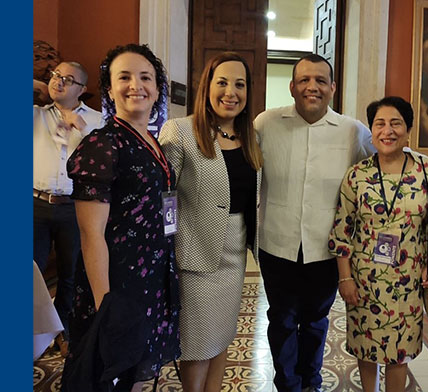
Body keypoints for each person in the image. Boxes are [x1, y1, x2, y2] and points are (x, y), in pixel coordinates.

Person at [61, 44, 180, 392]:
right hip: (117, 283)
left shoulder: (151, 141)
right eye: (124, 77)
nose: (135, 86)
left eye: (145, 77)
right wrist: (105, 307)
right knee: (109, 373)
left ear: (157, 88)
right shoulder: (103, 143)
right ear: (110, 89)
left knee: (137, 375)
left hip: (151, 279)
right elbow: (90, 234)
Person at [254, 53, 375, 392]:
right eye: (305, 80)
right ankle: (287, 385)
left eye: (320, 80)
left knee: (315, 322)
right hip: (277, 243)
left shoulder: (352, 132)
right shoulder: (266, 123)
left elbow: (380, 168)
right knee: (281, 320)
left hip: (325, 247)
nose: (312, 87)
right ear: (292, 86)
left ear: (332, 88)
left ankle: (311, 383)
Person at [158, 52, 262, 392]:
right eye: (222, 82)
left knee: (222, 340)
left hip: (234, 258)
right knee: (198, 346)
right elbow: (165, 197)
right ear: (207, 86)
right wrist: (169, 246)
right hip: (195, 257)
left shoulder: (250, 139)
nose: (230, 92)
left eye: (239, 84)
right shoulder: (181, 131)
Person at [329, 96, 428, 392]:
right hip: (364, 279)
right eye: (380, 124)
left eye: (396, 124)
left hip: (408, 279)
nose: (387, 131)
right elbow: (342, 231)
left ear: (408, 130)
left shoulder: (426, 171)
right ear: (371, 130)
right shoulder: (357, 175)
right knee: (367, 348)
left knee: (399, 351)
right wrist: (345, 277)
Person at [33, 61, 103, 357]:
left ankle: (63, 331)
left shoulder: (97, 121)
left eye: (68, 79)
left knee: (70, 273)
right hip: (34, 204)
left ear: (82, 89)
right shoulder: (34, 115)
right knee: (29, 272)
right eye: (55, 76)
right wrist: (37, 87)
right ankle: (32, 332)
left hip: (74, 206)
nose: (59, 82)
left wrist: (83, 130)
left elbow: (105, 158)